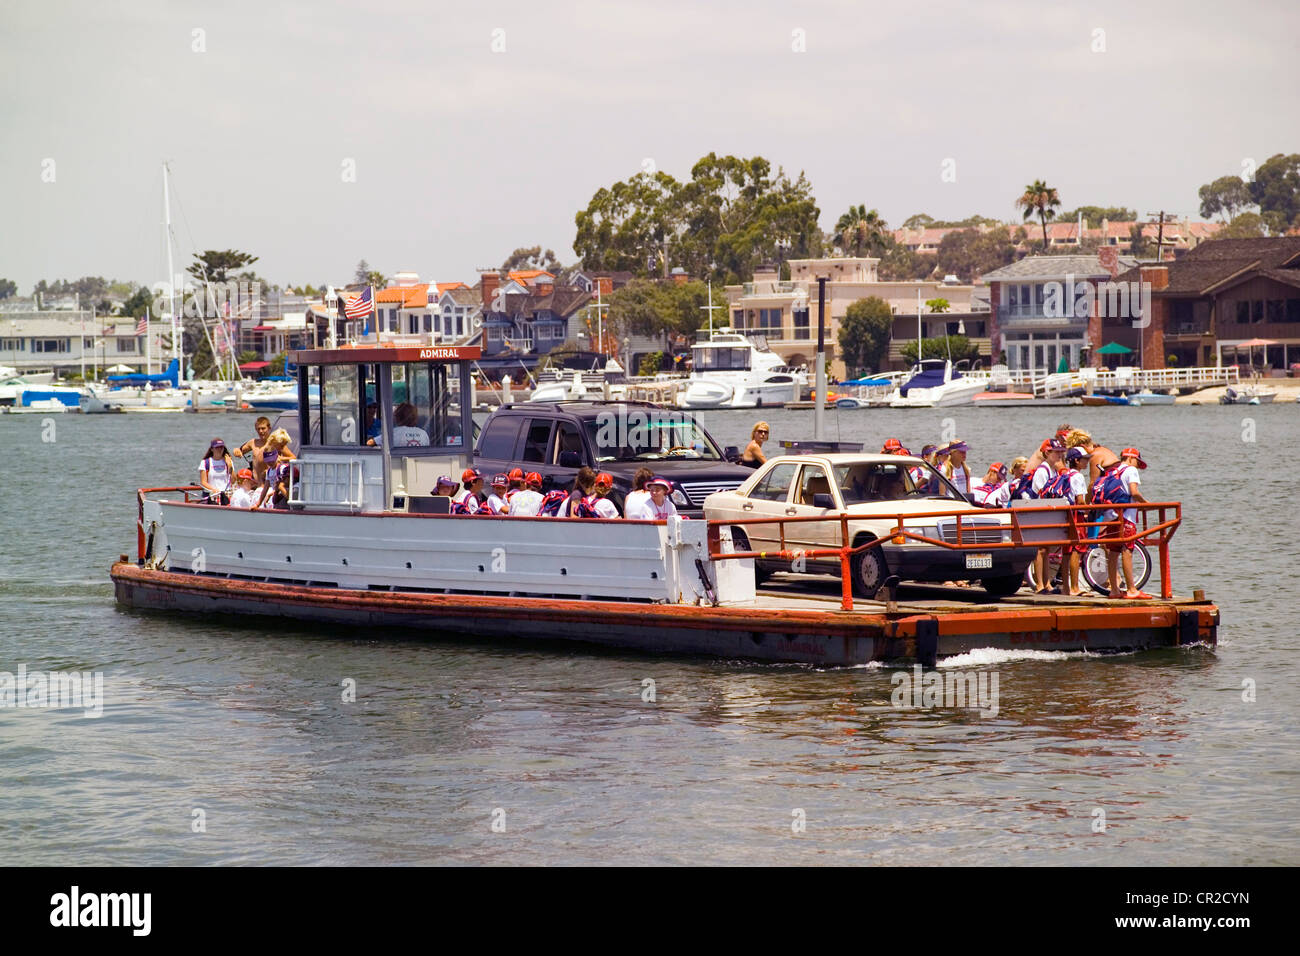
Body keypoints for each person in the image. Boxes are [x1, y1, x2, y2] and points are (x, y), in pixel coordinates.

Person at [1093, 447, 1152, 599]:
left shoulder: (1113, 471)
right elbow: (1134, 492)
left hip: (1111, 516)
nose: (1138, 466)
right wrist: (1146, 503)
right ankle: (1132, 590)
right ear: (1132, 459)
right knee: (1127, 550)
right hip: (1126, 517)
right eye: (1137, 462)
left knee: (1113, 553)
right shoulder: (1131, 470)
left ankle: (1114, 590)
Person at [1029, 439, 1066, 594]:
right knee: (1040, 550)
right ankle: (1039, 585)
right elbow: (1041, 494)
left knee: (1047, 548)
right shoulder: (1042, 471)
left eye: (1060, 452)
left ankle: (1047, 583)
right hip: (1040, 513)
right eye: (1056, 452)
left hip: (1048, 513)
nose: (1059, 455)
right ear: (1047, 453)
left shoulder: (1051, 470)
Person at [1059, 447, 1090, 596]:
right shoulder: (1078, 476)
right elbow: (1080, 501)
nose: (1087, 462)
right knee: (1077, 550)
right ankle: (1075, 588)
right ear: (1076, 461)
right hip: (1076, 516)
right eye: (1085, 459)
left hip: (1065, 515)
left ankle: (1066, 587)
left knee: (1066, 552)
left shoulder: (1066, 474)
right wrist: (1090, 508)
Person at [236, 417, 274, 482]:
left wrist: (280, 458)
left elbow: (292, 457)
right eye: (258, 429)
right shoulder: (253, 442)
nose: (260, 431)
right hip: (255, 482)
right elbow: (239, 450)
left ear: (269, 428)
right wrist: (236, 451)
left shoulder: (275, 443)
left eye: (263, 428)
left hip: (270, 482)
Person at [198, 438, 235, 505]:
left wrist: (230, 465)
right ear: (212, 449)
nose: (220, 449)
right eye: (217, 447)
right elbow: (203, 482)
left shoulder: (228, 462)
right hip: (212, 495)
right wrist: (214, 490)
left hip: (226, 495)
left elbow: (233, 480)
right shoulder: (205, 462)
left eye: (221, 447)